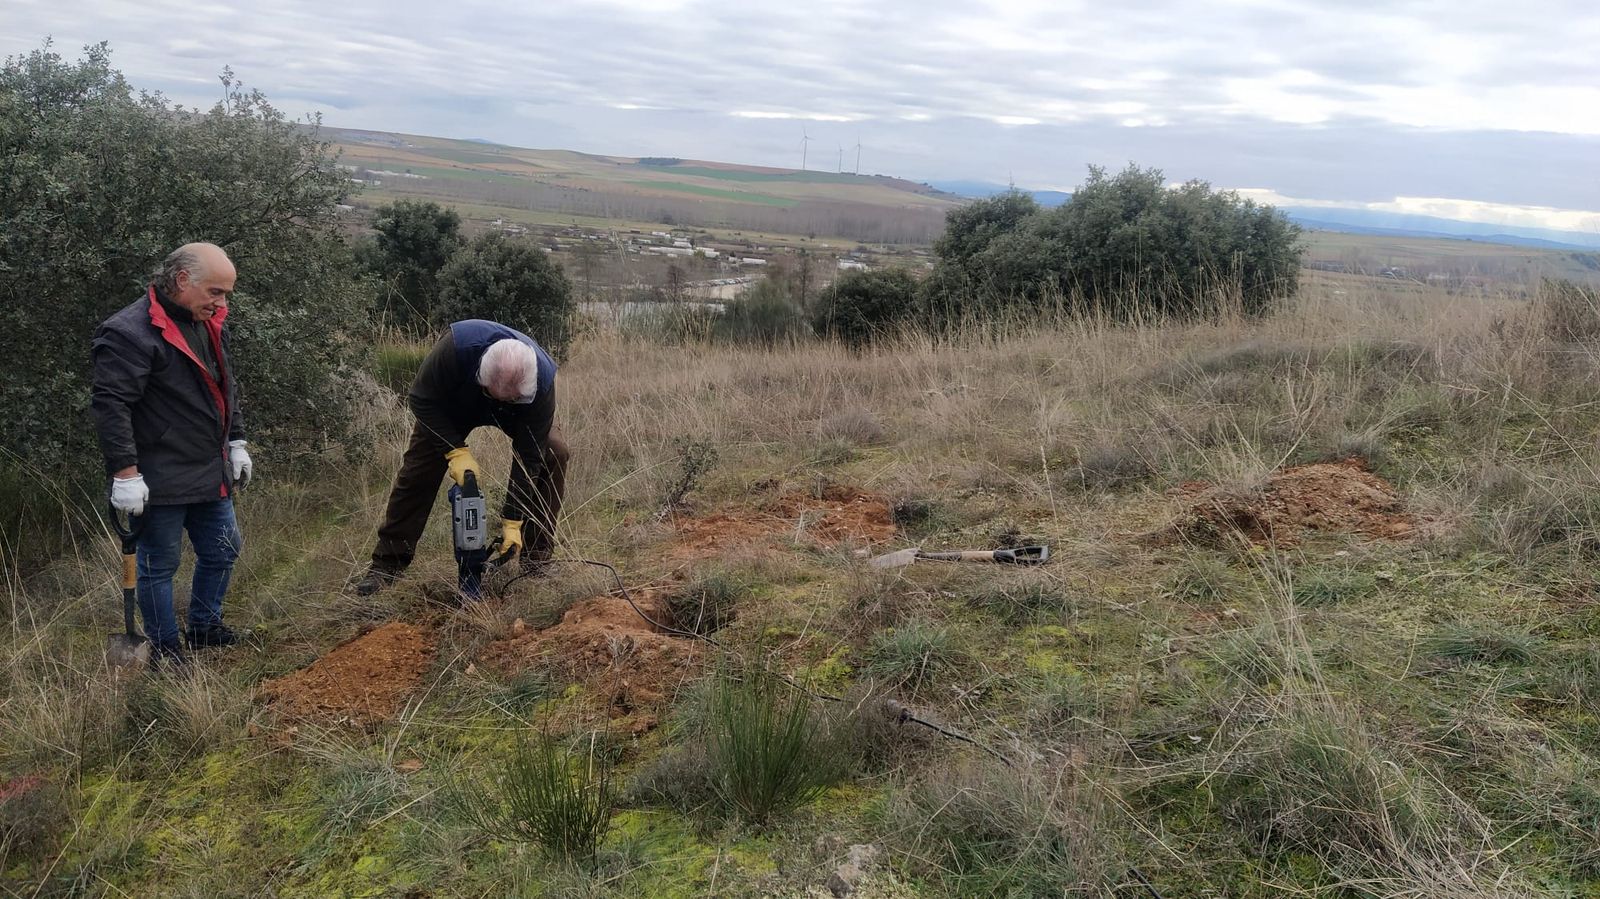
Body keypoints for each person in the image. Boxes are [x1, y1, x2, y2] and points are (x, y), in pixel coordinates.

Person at [91, 243, 253, 665]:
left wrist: (236, 440)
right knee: (159, 564)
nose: (222, 302)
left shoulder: (210, 322)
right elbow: (112, 406)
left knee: (223, 548)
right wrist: (125, 473)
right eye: (216, 291)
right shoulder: (128, 332)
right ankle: (165, 650)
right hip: (157, 474)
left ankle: (204, 627)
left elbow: (224, 386)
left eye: (226, 294)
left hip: (209, 467)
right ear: (182, 280)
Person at [354, 319, 567, 595]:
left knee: (554, 452)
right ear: (480, 374)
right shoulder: (454, 350)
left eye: (509, 398)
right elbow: (421, 399)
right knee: (418, 469)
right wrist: (454, 449)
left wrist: (513, 520)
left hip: (518, 414)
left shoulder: (541, 384)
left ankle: (537, 560)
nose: (499, 402)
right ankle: (387, 564)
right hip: (454, 405)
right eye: (495, 396)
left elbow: (529, 457)